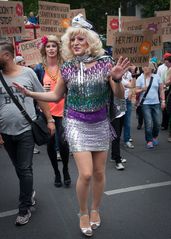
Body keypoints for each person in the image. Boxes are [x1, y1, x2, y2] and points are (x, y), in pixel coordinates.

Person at [13, 14, 130, 237]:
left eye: (81, 39)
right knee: (85, 174)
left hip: (100, 123)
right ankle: (83, 212)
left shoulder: (106, 63)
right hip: (76, 123)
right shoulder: (67, 68)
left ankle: (96, 209)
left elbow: (118, 95)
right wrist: (29, 93)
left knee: (98, 172)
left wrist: (116, 80)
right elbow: (55, 96)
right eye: (73, 40)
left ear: (91, 42)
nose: (76, 43)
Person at [0, 42, 55, 226]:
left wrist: (50, 119)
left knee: (24, 168)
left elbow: (40, 98)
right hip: (6, 133)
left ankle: (24, 208)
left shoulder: (28, 73)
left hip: (26, 130)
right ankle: (29, 191)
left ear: (7, 56)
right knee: (19, 168)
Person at [34, 35, 71, 187]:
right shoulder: (39, 68)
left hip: (63, 111)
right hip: (47, 112)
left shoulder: (66, 66)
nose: (51, 49)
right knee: (50, 144)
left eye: (53, 46)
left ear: (58, 48)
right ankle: (56, 172)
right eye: (48, 46)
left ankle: (66, 170)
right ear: (44, 49)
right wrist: (42, 90)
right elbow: (33, 90)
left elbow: (72, 87)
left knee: (63, 143)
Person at [136, 62, 165, 149]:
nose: (145, 68)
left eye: (147, 66)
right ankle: (149, 140)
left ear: (151, 68)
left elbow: (161, 90)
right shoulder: (140, 78)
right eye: (144, 66)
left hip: (156, 103)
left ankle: (154, 136)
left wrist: (163, 101)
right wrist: (141, 89)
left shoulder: (156, 77)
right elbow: (135, 91)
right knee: (148, 124)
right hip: (145, 104)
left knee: (158, 123)